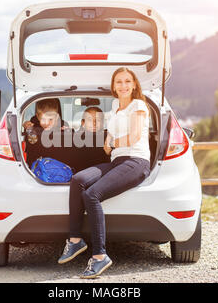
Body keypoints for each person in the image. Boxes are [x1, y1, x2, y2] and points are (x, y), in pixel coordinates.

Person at [58, 67, 151, 279]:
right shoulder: (115, 106)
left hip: (136, 160)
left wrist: (113, 142)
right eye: (119, 82)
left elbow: (135, 136)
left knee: (92, 195)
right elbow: (112, 135)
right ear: (114, 87)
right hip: (118, 160)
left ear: (134, 84)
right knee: (78, 180)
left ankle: (100, 257)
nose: (123, 86)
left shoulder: (139, 105)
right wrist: (108, 144)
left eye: (128, 81)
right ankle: (75, 241)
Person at [23, 98, 71, 168]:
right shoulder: (33, 124)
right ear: (38, 117)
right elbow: (31, 143)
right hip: (38, 163)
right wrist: (27, 127)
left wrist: (67, 132)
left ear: (57, 117)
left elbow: (68, 151)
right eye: (43, 119)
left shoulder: (63, 125)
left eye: (51, 119)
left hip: (58, 163)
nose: (47, 123)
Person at [73, 107, 110, 173]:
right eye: (89, 120)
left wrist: (108, 154)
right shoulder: (74, 139)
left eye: (98, 120)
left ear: (103, 122)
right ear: (83, 122)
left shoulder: (109, 138)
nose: (94, 123)